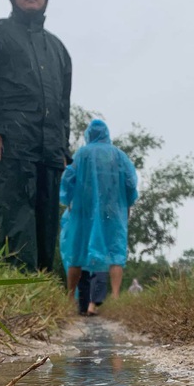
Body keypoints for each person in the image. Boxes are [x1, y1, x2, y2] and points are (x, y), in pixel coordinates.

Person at [0, 0, 72, 272]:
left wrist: (63, 149)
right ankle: (19, 292)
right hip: (11, 145)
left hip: (50, 149)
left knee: (47, 223)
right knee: (17, 220)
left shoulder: (58, 49)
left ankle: (41, 292)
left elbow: (63, 104)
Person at [60, 119, 138, 302]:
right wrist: (127, 204)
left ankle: (70, 297)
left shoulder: (82, 154)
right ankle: (116, 296)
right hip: (112, 211)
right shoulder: (119, 156)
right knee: (115, 250)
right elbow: (130, 182)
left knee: (77, 251)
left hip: (84, 211)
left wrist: (68, 199)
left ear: (88, 135)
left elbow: (68, 178)